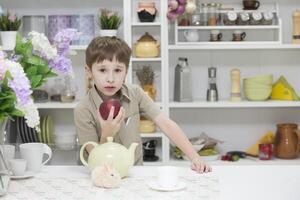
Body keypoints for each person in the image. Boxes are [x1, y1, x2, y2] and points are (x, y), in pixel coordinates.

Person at [74, 36, 211, 173]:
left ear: (126, 72)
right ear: (89, 72)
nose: (110, 79)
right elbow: (95, 159)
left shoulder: (135, 93)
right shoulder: (83, 110)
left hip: (134, 173)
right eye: (103, 70)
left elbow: (165, 123)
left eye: (117, 70)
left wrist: (195, 157)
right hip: (101, 176)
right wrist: (107, 134)